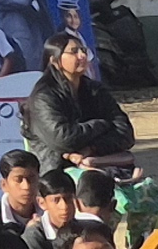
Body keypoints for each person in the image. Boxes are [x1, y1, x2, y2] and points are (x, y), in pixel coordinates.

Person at [19, 32, 138, 181]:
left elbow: (125, 133)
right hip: (58, 176)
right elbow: (64, 139)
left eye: (83, 50)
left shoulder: (95, 90)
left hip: (99, 167)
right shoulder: (43, 97)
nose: (82, 56)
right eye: (74, 51)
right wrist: (101, 124)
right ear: (54, 61)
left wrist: (91, 148)